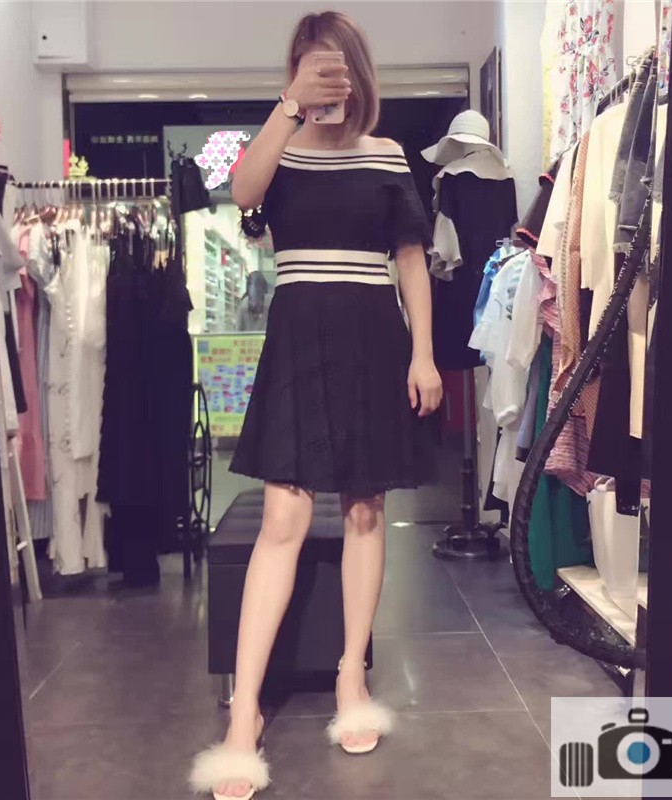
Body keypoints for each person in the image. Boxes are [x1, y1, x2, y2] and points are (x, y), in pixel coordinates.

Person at [191, 11, 442, 800]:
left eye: (336, 68)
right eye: (311, 67)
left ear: (358, 74)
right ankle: (244, 712)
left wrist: (424, 353)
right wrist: (287, 107)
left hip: (373, 336)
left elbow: (410, 259)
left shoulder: (388, 154)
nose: (327, 80)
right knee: (282, 518)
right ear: (295, 72)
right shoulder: (282, 147)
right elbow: (242, 191)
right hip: (299, 337)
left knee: (366, 509)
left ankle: (350, 676)